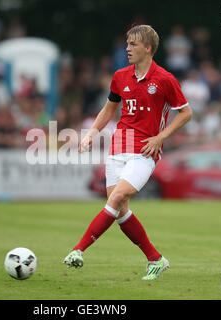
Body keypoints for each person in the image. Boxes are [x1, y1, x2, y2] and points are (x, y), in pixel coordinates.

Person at [63, 25, 193, 280]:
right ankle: (156, 259)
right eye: (127, 43)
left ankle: (78, 250)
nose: (127, 48)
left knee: (117, 197)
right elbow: (109, 109)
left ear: (148, 48)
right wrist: (91, 133)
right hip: (118, 148)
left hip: (144, 151)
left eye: (133, 44)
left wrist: (160, 137)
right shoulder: (120, 76)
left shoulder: (165, 79)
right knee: (120, 210)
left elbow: (186, 113)